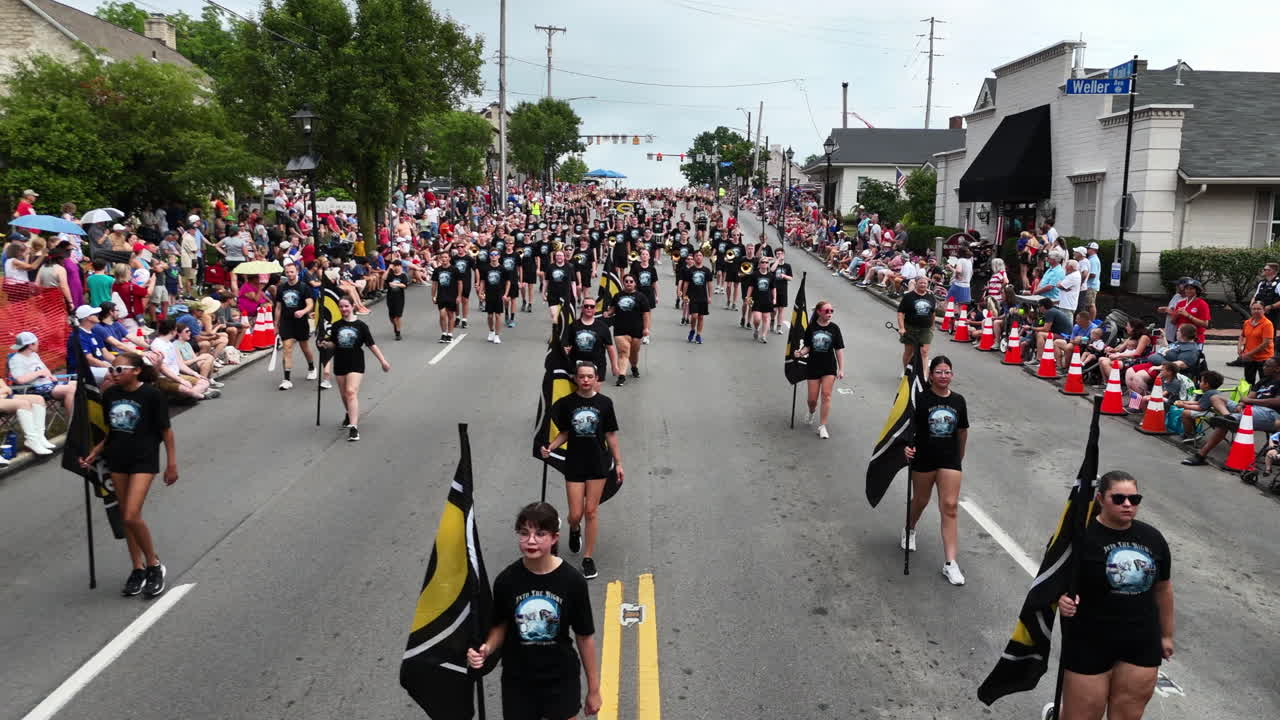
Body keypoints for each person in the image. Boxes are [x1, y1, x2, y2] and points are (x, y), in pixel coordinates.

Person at [467, 502, 601, 720]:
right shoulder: (506, 581)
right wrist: (486, 648)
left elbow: (584, 637)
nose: (531, 540)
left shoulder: (572, 582)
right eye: (524, 533)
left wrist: (594, 690)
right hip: (517, 681)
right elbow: (500, 625)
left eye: (540, 533)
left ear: (554, 538)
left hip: (560, 678)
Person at [1057, 470, 1173, 720]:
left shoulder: (1153, 538)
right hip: (1089, 640)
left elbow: (1163, 588)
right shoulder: (1079, 538)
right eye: (1118, 498)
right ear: (1100, 498)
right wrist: (1061, 599)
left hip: (1141, 641)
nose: (1128, 505)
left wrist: (1166, 635)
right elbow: (1052, 582)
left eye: (1134, 499)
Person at [77, 352, 178, 598]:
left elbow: (166, 431)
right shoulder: (110, 395)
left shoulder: (152, 395)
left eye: (119, 369)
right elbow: (111, 430)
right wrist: (94, 452)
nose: (113, 374)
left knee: (132, 515)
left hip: (144, 458)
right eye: (112, 370)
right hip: (117, 458)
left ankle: (154, 565)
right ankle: (137, 568)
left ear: (136, 371)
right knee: (125, 516)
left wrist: (171, 464)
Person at [540, 364, 623, 580]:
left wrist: (619, 462)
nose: (586, 380)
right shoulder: (567, 404)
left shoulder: (605, 403)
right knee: (575, 514)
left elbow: (610, 435)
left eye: (590, 376)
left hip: (598, 464)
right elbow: (566, 433)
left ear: (596, 379)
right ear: (576, 379)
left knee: (591, 512)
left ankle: (588, 558)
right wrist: (550, 447)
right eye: (581, 377)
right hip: (575, 463)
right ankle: (574, 529)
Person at [903, 356, 969, 586]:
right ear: (930, 375)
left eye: (947, 372)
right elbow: (909, 429)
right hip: (924, 457)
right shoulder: (920, 399)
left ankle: (950, 563)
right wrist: (907, 449)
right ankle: (909, 528)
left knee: (949, 507)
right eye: (939, 372)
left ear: (952, 375)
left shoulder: (959, 401)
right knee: (921, 499)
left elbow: (962, 432)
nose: (943, 376)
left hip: (949, 460)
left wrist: (958, 458)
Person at [318, 296, 390, 442]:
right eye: (341, 307)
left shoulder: (361, 326)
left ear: (352, 306)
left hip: (356, 362)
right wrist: (325, 345)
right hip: (340, 362)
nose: (343, 309)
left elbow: (371, 344)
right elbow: (333, 344)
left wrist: (383, 361)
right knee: (344, 395)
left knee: (351, 392)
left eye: (346, 306)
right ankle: (349, 413)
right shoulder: (336, 325)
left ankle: (353, 427)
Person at [795, 300, 845, 439]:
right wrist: (800, 353)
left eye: (831, 311)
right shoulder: (811, 327)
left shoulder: (835, 328)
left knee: (826, 395)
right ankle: (811, 411)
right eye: (826, 311)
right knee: (812, 399)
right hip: (813, 366)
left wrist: (841, 369)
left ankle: (822, 426)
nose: (829, 313)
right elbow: (808, 347)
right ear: (818, 312)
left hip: (829, 367)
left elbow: (839, 349)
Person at [9, 330, 77, 416]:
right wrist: (38, 373)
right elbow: (20, 380)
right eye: (36, 342)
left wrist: (50, 376)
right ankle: (74, 421)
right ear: (30, 345)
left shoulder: (34, 355)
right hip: (34, 388)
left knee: (77, 384)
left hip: (47, 384)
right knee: (71, 390)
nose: (38, 344)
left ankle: (80, 415)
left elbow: (45, 370)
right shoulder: (16, 359)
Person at [274, 262, 317, 389]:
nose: (289, 274)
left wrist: (303, 312)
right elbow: (278, 307)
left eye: (292, 272)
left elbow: (310, 304)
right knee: (287, 348)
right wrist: (276, 324)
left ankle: (311, 367)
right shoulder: (281, 288)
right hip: (286, 321)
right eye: (287, 272)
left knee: (305, 347)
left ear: (297, 272)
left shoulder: (304, 287)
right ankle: (286, 379)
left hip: (301, 322)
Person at [604, 275, 651, 386]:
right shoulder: (617, 296)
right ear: (623, 283)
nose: (628, 283)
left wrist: (646, 328)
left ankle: (634, 367)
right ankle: (622, 376)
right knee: (623, 352)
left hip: (636, 329)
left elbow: (646, 314)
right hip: (620, 328)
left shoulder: (641, 297)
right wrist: (608, 313)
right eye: (626, 281)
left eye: (631, 281)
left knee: (634, 352)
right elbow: (612, 309)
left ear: (635, 283)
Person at [562, 299, 617, 387]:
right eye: (586, 306)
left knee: (593, 395)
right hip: (577, 366)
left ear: (595, 309)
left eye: (592, 306)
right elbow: (566, 345)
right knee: (578, 395)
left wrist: (614, 366)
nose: (589, 308)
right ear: (582, 308)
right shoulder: (573, 326)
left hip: (597, 365)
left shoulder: (602, 327)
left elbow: (610, 347)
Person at [0, 377, 56, 456]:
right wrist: (3, 391)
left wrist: (3, 392)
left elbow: (7, 389)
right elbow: (5, 390)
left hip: (4, 397)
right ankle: (31, 440)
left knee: (38, 399)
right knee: (23, 404)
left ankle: (39, 438)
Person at [897, 275, 936, 369]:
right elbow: (900, 313)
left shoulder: (931, 297)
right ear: (916, 284)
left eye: (925, 283)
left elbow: (933, 313)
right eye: (921, 283)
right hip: (910, 328)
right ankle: (906, 372)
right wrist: (902, 328)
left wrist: (933, 325)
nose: (923, 285)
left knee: (924, 352)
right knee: (909, 351)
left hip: (926, 329)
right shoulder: (908, 296)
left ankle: (924, 376)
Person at [1234, 300, 1274, 385]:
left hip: (1263, 358)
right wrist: (1239, 348)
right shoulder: (1247, 322)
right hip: (1249, 358)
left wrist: (1248, 354)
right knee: (1248, 382)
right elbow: (1242, 336)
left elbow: (1265, 343)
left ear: (1264, 310)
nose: (1256, 311)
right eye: (1254, 309)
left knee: (1265, 382)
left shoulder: (1267, 324)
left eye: (1259, 309)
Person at [479, 251, 511, 344]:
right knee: (489, 316)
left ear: (499, 256)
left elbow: (508, 282)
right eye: (492, 255)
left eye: (495, 255)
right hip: (489, 294)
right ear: (489, 257)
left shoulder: (503, 269)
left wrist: (505, 294)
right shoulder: (485, 268)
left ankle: (497, 335)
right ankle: (491, 331)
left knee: (497, 315)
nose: (494, 256)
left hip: (499, 294)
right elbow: (483, 281)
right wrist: (481, 293)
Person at [683, 251, 714, 344]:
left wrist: (710, 297)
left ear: (703, 257)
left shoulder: (707, 270)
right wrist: (684, 296)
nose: (698, 257)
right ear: (694, 257)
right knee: (694, 316)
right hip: (692, 296)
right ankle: (692, 329)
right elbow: (686, 284)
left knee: (701, 317)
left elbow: (709, 284)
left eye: (700, 255)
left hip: (703, 296)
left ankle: (698, 335)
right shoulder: (690, 270)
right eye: (696, 256)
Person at [746, 253, 776, 342]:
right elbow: (750, 286)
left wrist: (774, 298)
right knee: (757, 319)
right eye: (762, 262)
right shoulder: (755, 274)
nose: (764, 264)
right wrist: (748, 297)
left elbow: (773, 288)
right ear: (759, 264)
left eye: (766, 262)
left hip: (767, 299)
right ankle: (756, 329)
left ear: (767, 264)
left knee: (766, 318)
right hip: (757, 299)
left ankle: (763, 336)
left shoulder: (771, 276)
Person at [432, 251, 460, 344]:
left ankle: (450, 334)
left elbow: (460, 283)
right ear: (440, 259)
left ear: (449, 258)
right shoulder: (437, 270)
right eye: (442, 257)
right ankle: (443, 333)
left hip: (452, 295)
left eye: (445, 257)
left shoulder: (454, 269)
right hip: (441, 295)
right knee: (442, 314)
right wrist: (433, 295)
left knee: (451, 315)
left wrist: (459, 296)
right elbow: (434, 283)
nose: (444, 259)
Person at [385, 259, 410, 341]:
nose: (396, 268)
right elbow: (383, 278)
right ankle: (396, 326)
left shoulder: (403, 275)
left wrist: (396, 284)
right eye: (394, 266)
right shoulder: (390, 275)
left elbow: (404, 285)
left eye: (397, 266)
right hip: (390, 298)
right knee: (391, 317)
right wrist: (388, 269)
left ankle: (398, 333)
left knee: (397, 317)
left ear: (400, 266)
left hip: (399, 298)